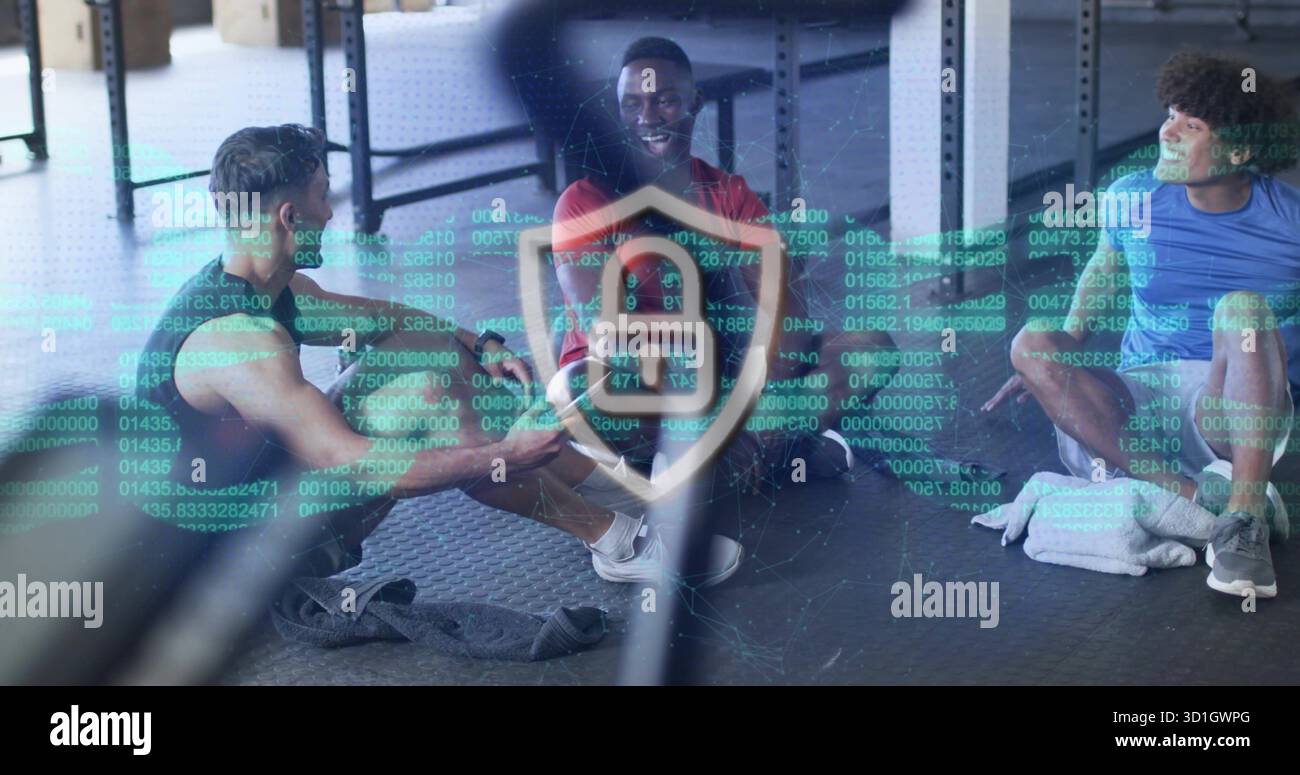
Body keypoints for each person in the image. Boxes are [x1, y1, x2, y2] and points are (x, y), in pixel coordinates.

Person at [135, 124, 743, 587]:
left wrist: (481, 345)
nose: (331, 210)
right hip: (224, 564)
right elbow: (352, 464)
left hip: (267, 488)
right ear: (290, 216)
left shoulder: (267, 283)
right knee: (436, 405)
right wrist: (503, 453)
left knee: (426, 350)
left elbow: (392, 321)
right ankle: (617, 543)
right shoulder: (241, 341)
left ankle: (616, 493)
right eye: (323, 196)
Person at [983, 52, 1300, 598]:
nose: (1167, 132)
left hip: (1225, 407)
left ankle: (1243, 522)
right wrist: (1052, 365)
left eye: (1191, 125)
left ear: (1241, 151)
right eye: (1170, 115)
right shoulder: (1132, 196)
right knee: (1030, 339)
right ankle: (1186, 494)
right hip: (1137, 405)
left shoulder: (1290, 221)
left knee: (1243, 308)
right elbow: (1101, 275)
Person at [547, 37, 899, 493]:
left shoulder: (729, 196)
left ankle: (733, 458)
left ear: (694, 103)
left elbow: (789, 313)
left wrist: (756, 414)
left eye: (665, 102)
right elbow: (606, 331)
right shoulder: (584, 200)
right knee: (577, 390)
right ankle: (757, 454)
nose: (647, 119)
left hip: (730, 375)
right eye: (631, 104)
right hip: (640, 380)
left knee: (869, 348)